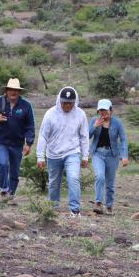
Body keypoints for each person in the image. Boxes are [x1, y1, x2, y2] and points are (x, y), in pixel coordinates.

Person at [36, 87, 89, 217]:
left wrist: (85, 155)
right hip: (53, 153)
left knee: (73, 178)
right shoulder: (50, 114)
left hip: (72, 152)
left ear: (74, 102)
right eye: (64, 102)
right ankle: (53, 208)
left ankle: (75, 210)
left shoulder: (80, 114)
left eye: (70, 103)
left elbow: (84, 136)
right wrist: (40, 157)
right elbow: (43, 136)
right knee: (54, 182)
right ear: (59, 101)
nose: (67, 105)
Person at [0, 78, 35, 201]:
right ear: (6, 90)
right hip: (0, 141)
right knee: (3, 163)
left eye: (16, 90)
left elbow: (30, 126)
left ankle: (10, 195)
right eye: (11, 90)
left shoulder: (26, 105)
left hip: (17, 143)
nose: (13, 92)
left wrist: (29, 143)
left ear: (19, 92)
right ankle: (4, 189)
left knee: (14, 171)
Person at [88, 99, 129, 215]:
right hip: (97, 154)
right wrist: (94, 126)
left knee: (110, 183)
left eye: (105, 110)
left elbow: (123, 139)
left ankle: (109, 206)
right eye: (100, 110)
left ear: (111, 110)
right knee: (100, 176)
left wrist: (124, 156)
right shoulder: (93, 121)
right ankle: (98, 204)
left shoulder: (117, 123)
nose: (103, 113)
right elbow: (86, 135)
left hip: (112, 155)